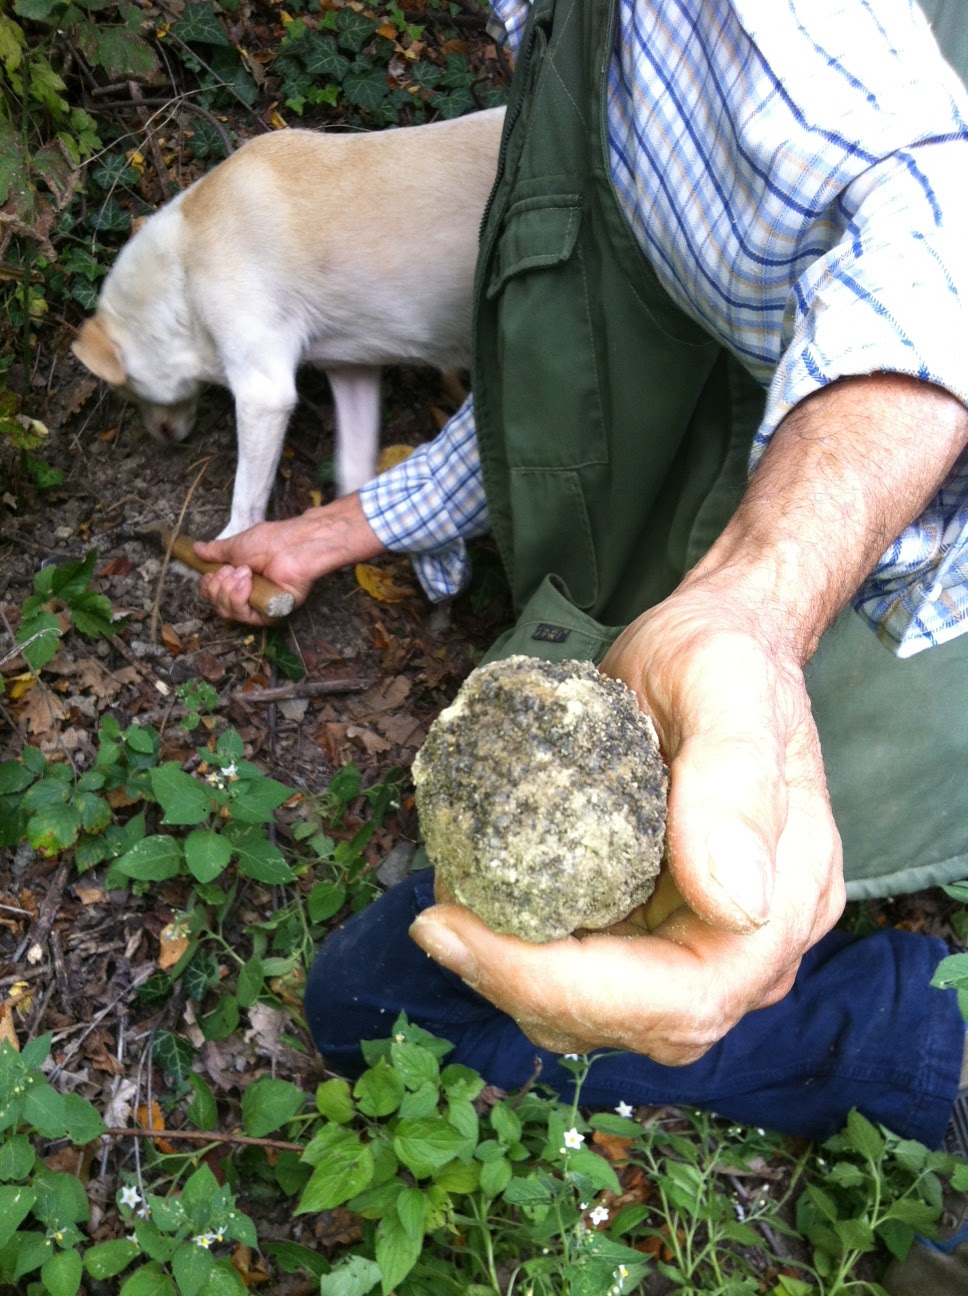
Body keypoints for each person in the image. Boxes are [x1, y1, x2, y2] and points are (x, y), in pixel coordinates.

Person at [196, 2, 968, 1276]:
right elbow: (567, 352)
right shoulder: (563, 34)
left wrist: (753, 610)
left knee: (380, 1004)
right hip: (718, 588)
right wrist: (339, 528)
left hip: (882, 617)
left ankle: (922, 1044)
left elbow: (935, 220)